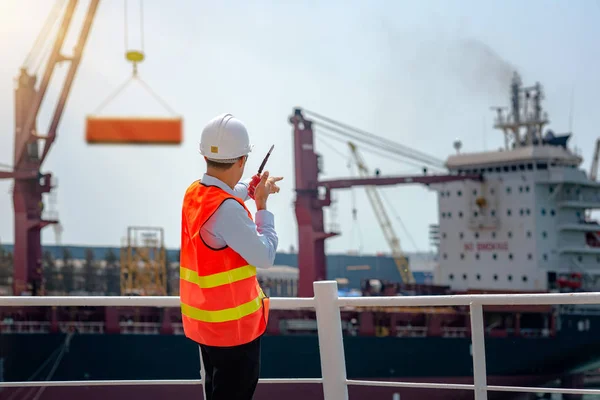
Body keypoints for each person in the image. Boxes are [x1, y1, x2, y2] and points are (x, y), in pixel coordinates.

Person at [179, 113, 282, 400]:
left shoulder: (195, 194)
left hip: (208, 326)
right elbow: (265, 256)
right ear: (241, 160)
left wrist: (250, 187)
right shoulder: (228, 210)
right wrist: (262, 206)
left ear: (205, 158)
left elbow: (225, 191)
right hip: (235, 332)